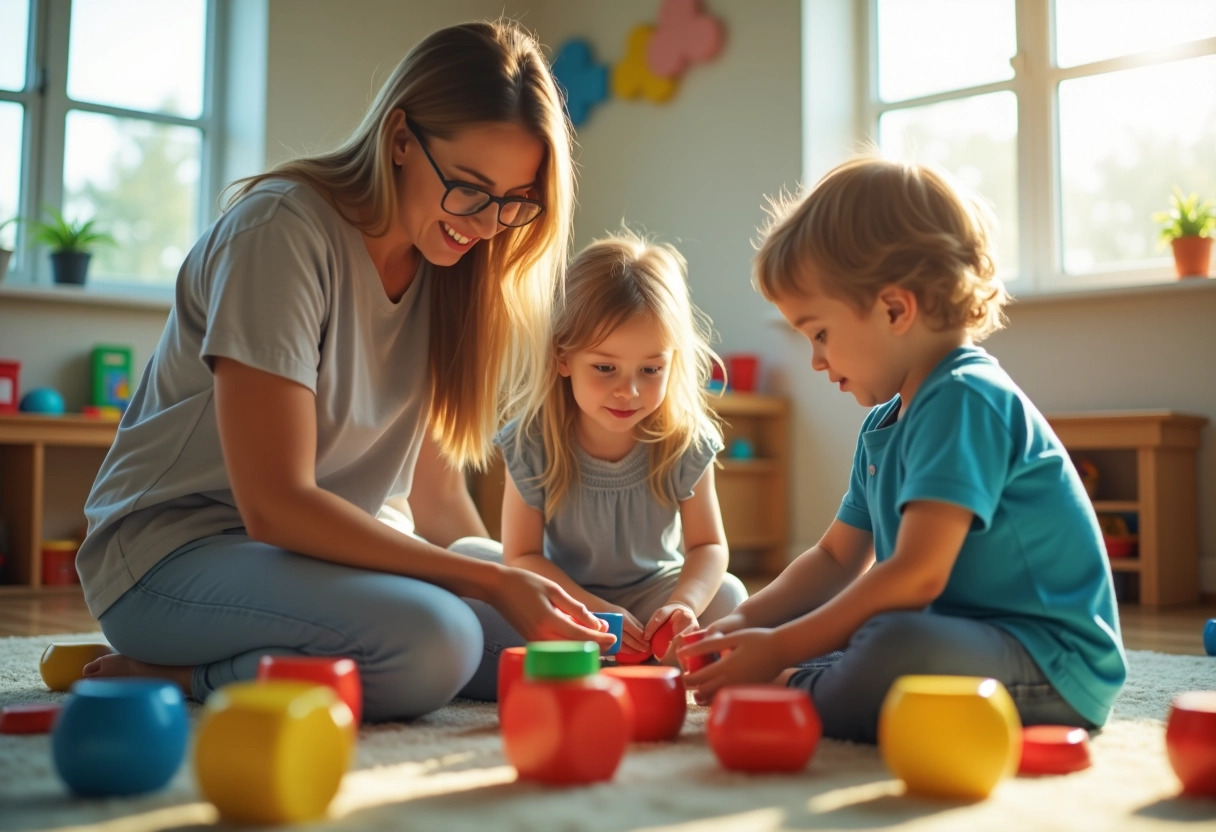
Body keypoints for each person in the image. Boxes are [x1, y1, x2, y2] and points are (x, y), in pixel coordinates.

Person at [74, 19, 614, 723]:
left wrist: (538, 586)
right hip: (174, 562)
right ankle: (183, 674)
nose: (487, 225)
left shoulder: (451, 269)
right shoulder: (281, 234)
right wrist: (486, 580)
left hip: (334, 566)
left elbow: (437, 503)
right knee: (438, 643)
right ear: (398, 141)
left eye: (515, 203)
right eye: (471, 189)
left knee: (565, 635)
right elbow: (276, 505)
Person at [679, 156, 1127, 742]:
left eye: (819, 333)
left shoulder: (965, 398)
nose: (815, 359)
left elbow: (916, 574)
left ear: (894, 308)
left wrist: (780, 649)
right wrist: (744, 622)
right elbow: (838, 559)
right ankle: (805, 677)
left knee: (890, 643)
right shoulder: (886, 423)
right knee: (869, 638)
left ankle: (793, 687)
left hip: (1051, 664)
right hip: (961, 640)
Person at [491, 230, 749, 662]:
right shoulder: (531, 440)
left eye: (650, 369)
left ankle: (625, 652)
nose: (628, 390)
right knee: (473, 561)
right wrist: (594, 610)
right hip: (566, 596)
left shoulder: (683, 439)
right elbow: (523, 555)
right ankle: (611, 651)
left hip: (655, 595)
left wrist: (682, 606)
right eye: (605, 367)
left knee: (729, 596)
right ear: (563, 357)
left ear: (673, 362)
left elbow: (708, 547)